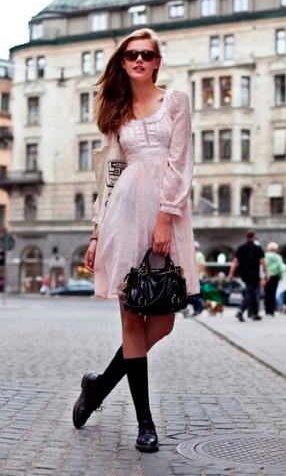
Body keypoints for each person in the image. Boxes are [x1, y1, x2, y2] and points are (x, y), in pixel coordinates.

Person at [73, 28, 199, 453]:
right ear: (123, 63)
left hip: (167, 215)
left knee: (162, 320)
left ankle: (99, 386)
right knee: (131, 318)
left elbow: (181, 162)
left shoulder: (175, 100)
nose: (140, 60)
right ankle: (146, 425)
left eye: (147, 54)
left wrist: (165, 218)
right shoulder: (118, 111)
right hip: (123, 214)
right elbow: (107, 178)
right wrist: (95, 232)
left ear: (158, 61)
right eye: (131, 55)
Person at [228, 230, 268, 321]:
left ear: (246, 237)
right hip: (254, 274)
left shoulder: (241, 248)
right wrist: (266, 274)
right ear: (254, 237)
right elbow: (263, 262)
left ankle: (255, 313)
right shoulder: (257, 248)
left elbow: (234, 262)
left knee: (252, 292)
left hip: (244, 274)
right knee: (250, 293)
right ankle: (240, 311)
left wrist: (230, 274)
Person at [264, 242, 285, 316]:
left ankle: (267, 310)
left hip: (266, 276)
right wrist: (281, 274)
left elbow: (264, 265)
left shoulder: (265, 256)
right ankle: (271, 311)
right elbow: (281, 267)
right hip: (275, 276)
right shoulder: (277, 257)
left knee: (266, 293)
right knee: (273, 293)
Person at [188, 241, 206, 316]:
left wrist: (194, 274)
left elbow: (202, 266)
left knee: (195, 295)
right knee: (191, 296)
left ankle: (198, 308)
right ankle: (198, 307)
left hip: (197, 278)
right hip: (191, 278)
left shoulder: (199, 255)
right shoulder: (190, 255)